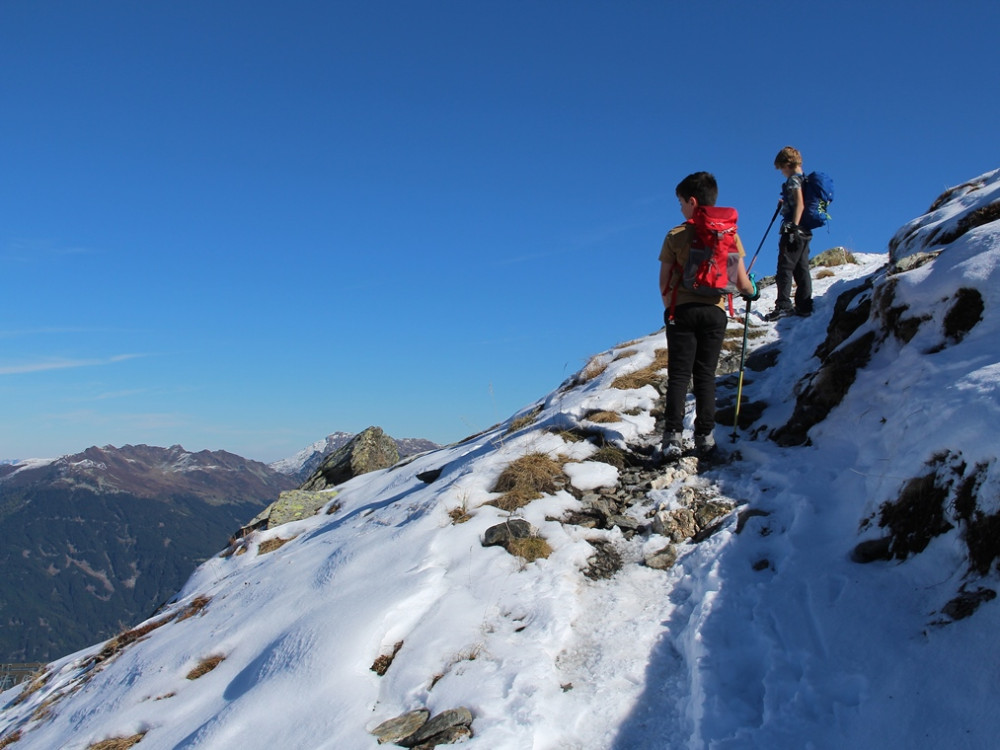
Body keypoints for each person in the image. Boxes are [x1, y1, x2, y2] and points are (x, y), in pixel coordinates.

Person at [658, 171, 758, 460]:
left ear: (691, 201)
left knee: (678, 375)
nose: (679, 208)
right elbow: (742, 283)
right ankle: (705, 439)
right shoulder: (730, 235)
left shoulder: (676, 235)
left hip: (683, 311)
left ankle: (672, 439)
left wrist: (670, 307)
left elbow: (664, 279)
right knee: (705, 375)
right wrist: (753, 293)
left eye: (680, 202)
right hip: (715, 313)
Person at [768, 145, 813, 319]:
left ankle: (783, 306)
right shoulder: (804, 179)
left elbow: (800, 204)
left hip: (794, 229)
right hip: (805, 230)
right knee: (801, 267)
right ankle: (804, 305)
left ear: (787, 164)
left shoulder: (794, 180)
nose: (781, 172)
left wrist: (792, 227)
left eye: (781, 168)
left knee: (785, 267)